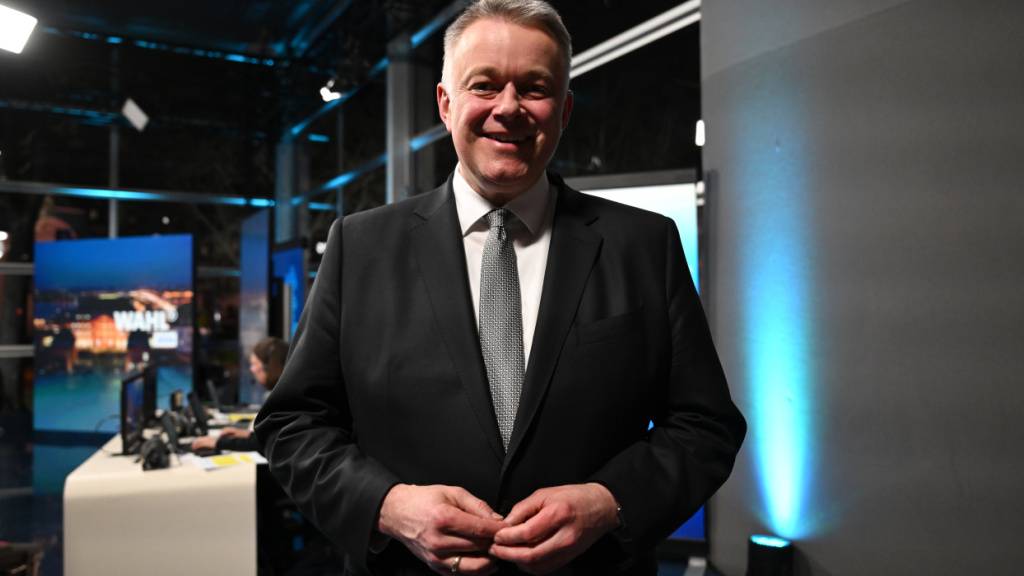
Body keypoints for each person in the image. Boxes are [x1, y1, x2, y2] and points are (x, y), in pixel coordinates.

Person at [255, 1, 746, 574]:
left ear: (563, 110)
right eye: (484, 85)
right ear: (446, 103)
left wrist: (610, 501)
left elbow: (706, 427)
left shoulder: (643, 246)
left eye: (534, 88)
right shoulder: (359, 248)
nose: (508, 108)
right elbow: (291, 426)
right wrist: (389, 507)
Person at [191, 337, 287, 452]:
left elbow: (264, 443)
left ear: (267, 367)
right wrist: (246, 434)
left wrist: (217, 442)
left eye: (254, 364)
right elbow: (268, 437)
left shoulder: (283, 399)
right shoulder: (283, 393)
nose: (252, 370)